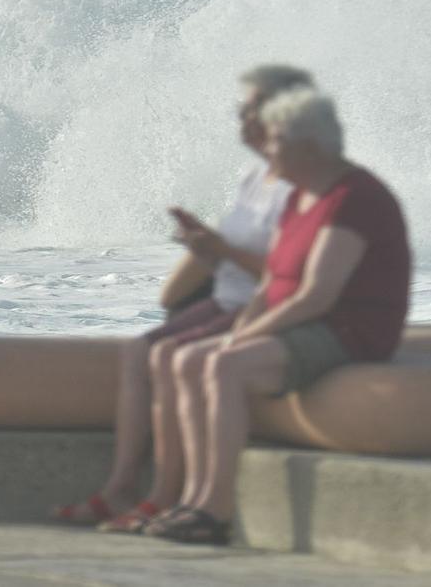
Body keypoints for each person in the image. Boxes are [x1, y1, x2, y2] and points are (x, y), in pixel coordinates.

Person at [144, 88, 411, 546]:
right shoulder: (299, 197)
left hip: (347, 331)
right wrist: (245, 325)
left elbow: (317, 296)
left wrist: (242, 339)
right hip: (302, 322)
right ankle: (191, 497)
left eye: (275, 142)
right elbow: (273, 283)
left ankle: (215, 509)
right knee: (188, 359)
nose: (265, 151)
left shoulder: (354, 197)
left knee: (223, 364)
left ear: (309, 146)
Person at [58, 65, 310, 532]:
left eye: (254, 110)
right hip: (228, 299)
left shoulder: (301, 186)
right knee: (139, 350)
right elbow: (236, 262)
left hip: (264, 310)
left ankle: (165, 495)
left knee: (171, 356)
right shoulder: (254, 178)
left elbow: (295, 276)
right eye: (243, 110)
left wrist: (223, 251)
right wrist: (207, 252)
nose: (244, 119)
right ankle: (121, 487)